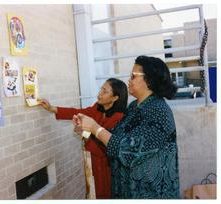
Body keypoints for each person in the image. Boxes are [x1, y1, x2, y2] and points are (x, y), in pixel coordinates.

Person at [73, 56, 179, 199]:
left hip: (149, 193)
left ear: (149, 80)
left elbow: (129, 150)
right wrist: (87, 131)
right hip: (125, 190)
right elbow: (114, 139)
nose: (129, 80)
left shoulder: (159, 111)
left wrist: (95, 128)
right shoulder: (134, 106)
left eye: (133, 76)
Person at [39, 78, 128, 199]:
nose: (99, 93)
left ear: (115, 98)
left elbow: (105, 148)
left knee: (105, 194)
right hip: (94, 161)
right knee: (94, 192)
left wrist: (84, 134)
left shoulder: (119, 118)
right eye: (101, 89)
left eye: (105, 91)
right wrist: (51, 108)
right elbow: (78, 112)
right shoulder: (98, 107)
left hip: (108, 167)